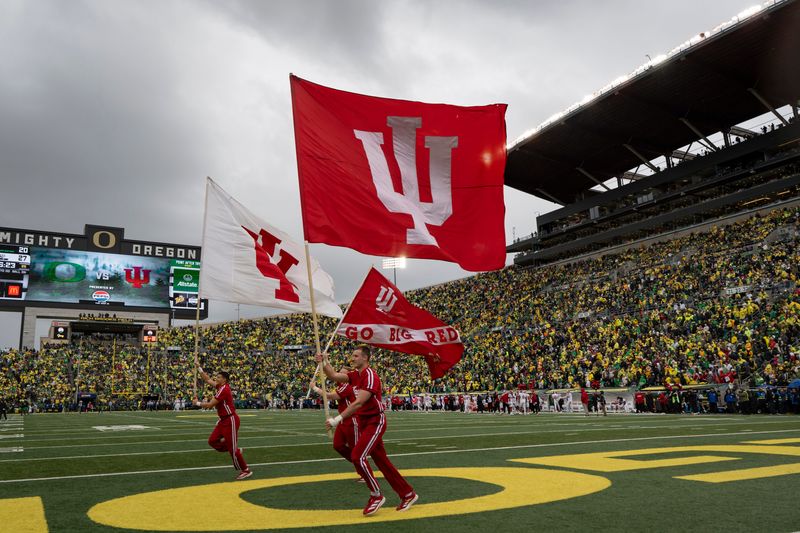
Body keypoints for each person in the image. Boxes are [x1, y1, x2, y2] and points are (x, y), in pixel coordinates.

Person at [316, 346, 418, 516]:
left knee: (357, 456)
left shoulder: (370, 375)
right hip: (365, 422)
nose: (352, 358)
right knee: (382, 462)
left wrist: (337, 419)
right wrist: (324, 362)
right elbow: (333, 375)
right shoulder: (355, 375)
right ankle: (407, 494)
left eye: (355, 356)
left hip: (375, 421)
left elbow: (358, 403)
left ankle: (376, 495)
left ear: (365, 358)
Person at [195, 367, 252, 480]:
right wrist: (199, 367)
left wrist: (197, 403)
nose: (216, 378)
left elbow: (210, 405)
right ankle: (235, 450)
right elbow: (207, 380)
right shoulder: (220, 386)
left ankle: (245, 470)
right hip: (223, 420)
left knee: (232, 450)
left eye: (219, 377)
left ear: (224, 380)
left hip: (230, 420)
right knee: (212, 441)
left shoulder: (224, 389)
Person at [309, 370, 361, 475]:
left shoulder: (347, 386)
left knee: (355, 450)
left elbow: (330, 396)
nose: (339, 374)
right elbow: (332, 374)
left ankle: (362, 469)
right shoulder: (341, 384)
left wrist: (314, 388)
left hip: (351, 419)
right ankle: (358, 462)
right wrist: (324, 362)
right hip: (342, 419)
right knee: (338, 445)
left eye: (342, 373)